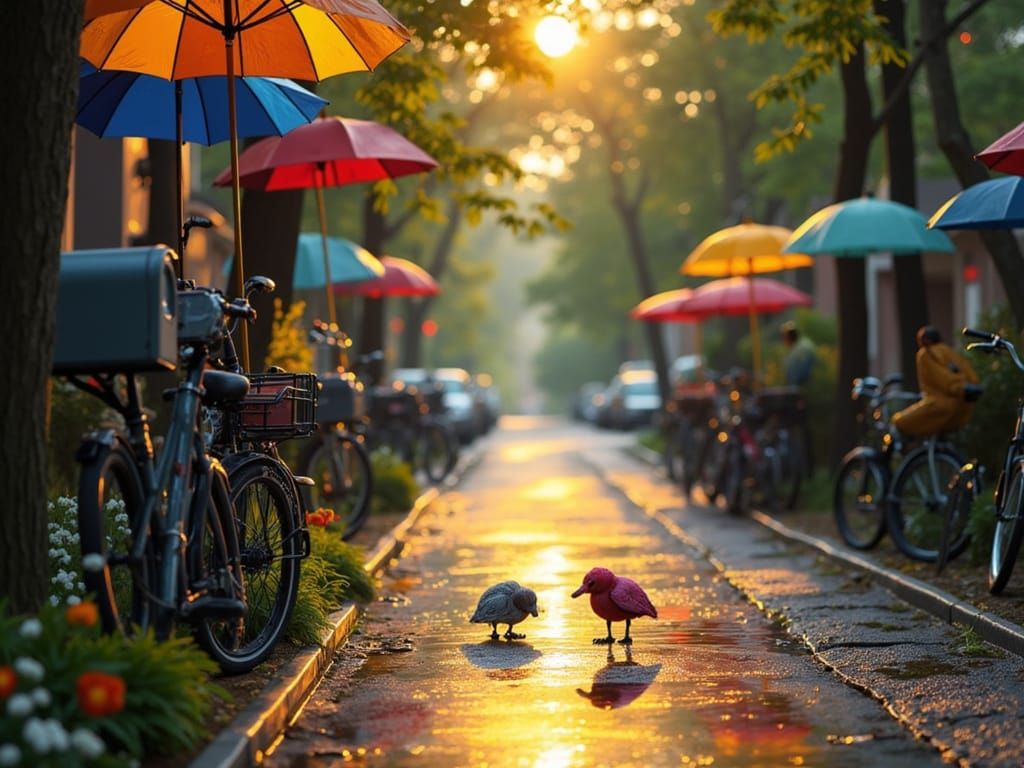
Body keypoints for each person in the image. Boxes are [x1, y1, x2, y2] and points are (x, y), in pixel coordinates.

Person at [891, 325, 981, 438]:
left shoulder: (926, 354)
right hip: (963, 408)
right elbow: (969, 375)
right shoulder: (949, 351)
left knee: (898, 421)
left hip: (940, 405)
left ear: (925, 340)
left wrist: (960, 388)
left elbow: (942, 377)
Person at [781, 321, 816, 387]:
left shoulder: (800, 350)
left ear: (788, 336)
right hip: (810, 387)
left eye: (783, 337)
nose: (783, 340)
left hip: (804, 388)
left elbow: (794, 377)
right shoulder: (804, 344)